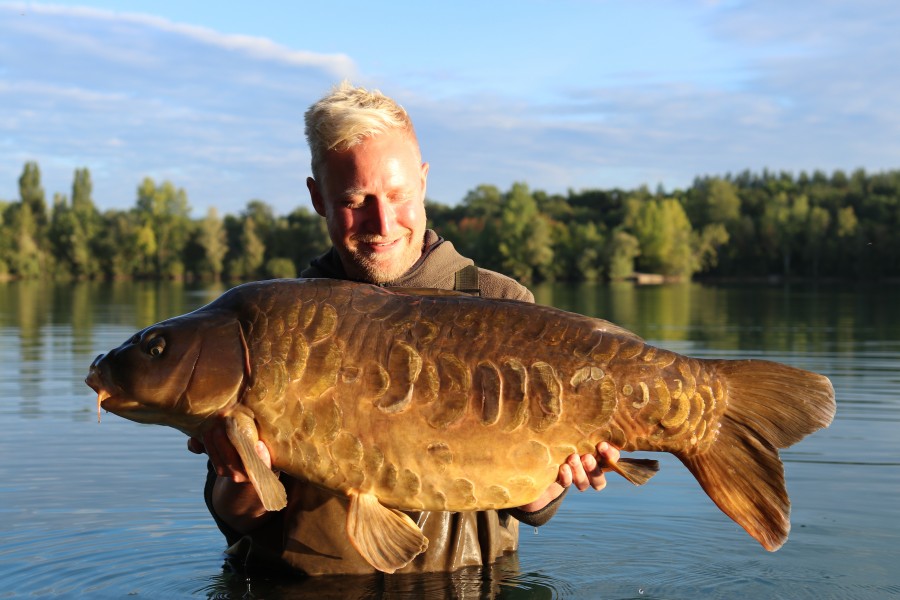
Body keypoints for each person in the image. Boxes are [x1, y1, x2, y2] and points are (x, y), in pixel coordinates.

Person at [189, 82, 620, 575]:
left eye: (398, 195)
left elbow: (531, 503)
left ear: (423, 181)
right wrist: (246, 472)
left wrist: (563, 474)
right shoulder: (274, 323)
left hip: (463, 583)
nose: (383, 222)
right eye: (356, 200)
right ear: (317, 197)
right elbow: (234, 515)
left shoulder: (503, 307)